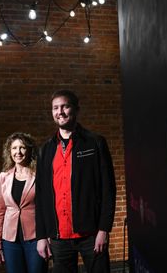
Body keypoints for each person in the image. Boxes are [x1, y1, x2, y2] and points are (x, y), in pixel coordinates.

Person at [35, 89, 116, 273]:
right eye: (55, 108)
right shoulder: (45, 150)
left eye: (65, 106)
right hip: (58, 238)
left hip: (91, 235)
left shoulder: (95, 143)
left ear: (76, 109)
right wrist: (41, 236)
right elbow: (40, 196)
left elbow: (108, 190)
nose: (60, 112)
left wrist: (104, 229)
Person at [0, 132, 48, 273]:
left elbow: (47, 209)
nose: (18, 152)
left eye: (22, 147)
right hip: (10, 241)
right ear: (9, 152)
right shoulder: (4, 177)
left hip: (35, 238)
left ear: (29, 150)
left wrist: (47, 237)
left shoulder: (39, 175)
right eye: (14, 148)